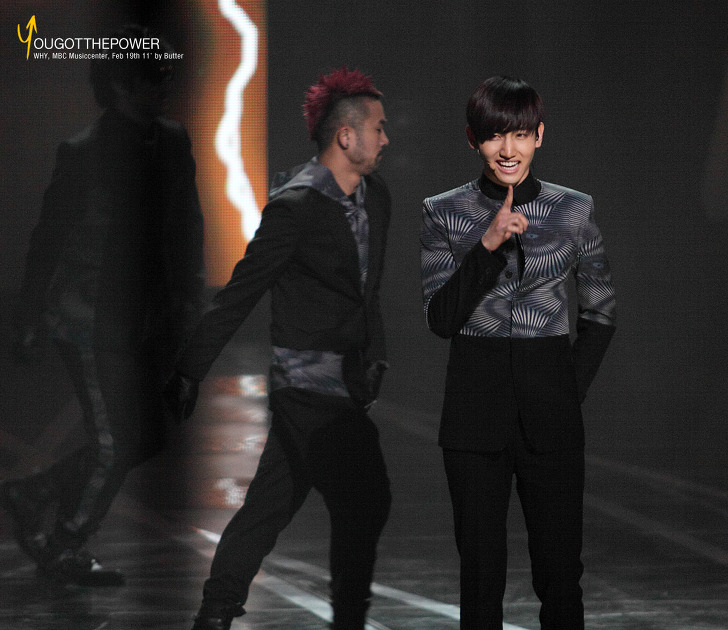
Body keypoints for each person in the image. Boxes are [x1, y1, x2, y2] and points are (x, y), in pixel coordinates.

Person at [164, 67, 392, 630]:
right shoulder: (296, 207)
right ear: (346, 136)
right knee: (365, 498)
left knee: (269, 504)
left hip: (347, 382)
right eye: (378, 128)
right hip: (306, 385)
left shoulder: (378, 199)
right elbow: (242, 291)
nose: (386, 139)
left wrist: (375, 356)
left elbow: (367, 291)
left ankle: (215, 611)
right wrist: (190, 368)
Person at [0, 25, 205, 587]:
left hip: (145, 318)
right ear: (120, 85)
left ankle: (34, 493)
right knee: (117, 441)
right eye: (153, 75)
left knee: (149, 434)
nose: (165, 84)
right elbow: (48, 238)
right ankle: (66, 541)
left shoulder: (173, 141)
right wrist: (28, 318)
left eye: (166, 73)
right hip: (87, 317)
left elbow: (186, 226)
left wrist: (191, 298)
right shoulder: (83, 153)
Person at [419, 75, 617, 630]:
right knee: (480, 578)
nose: (508, 149)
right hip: (473, 415)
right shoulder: (443, 211)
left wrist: (566, 389)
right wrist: (486, 245)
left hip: (551, 412)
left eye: (521, 135)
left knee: (560, 574)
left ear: (539, 136)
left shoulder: (574, 209)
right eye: (494, 136)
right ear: (472, 138)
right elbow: (440, 319)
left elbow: (601, 311)